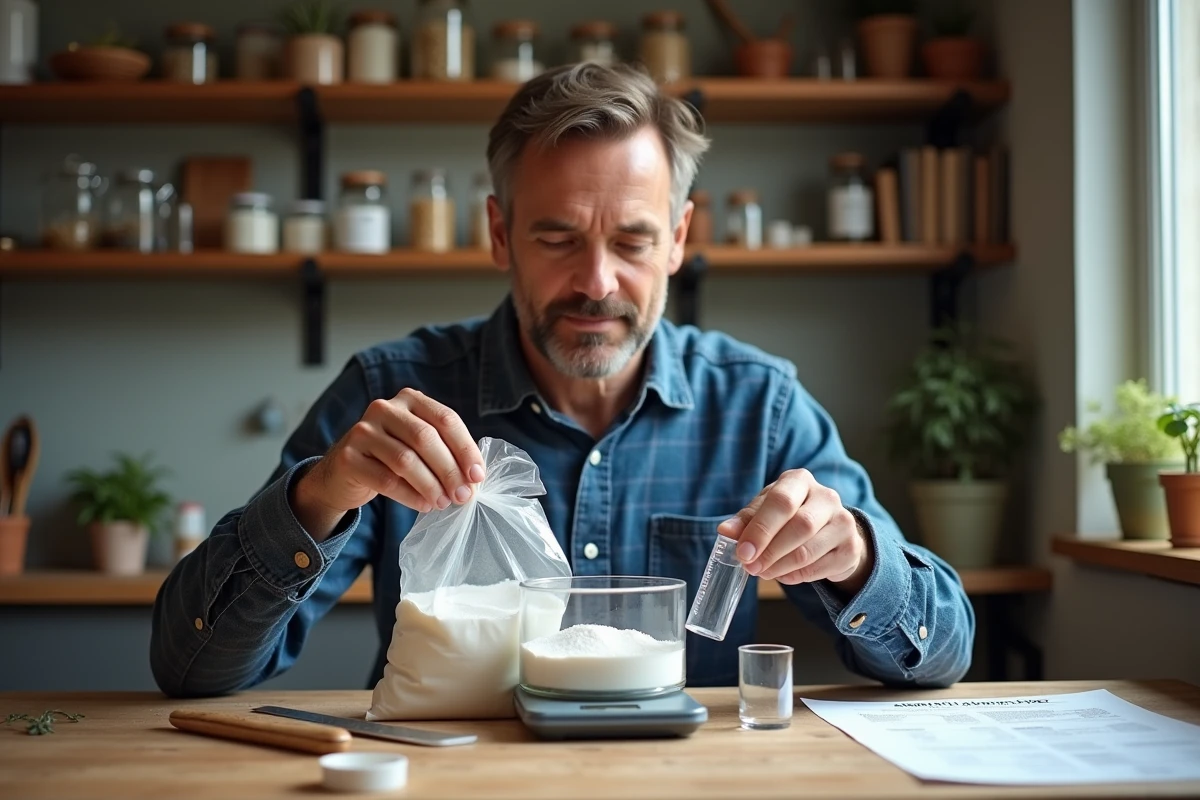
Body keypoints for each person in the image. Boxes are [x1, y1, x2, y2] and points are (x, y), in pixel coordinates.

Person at [150, 63, 974, 698]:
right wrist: (318, 495)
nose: (599, 282)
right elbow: (192, 672)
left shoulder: (759, 406)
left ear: (680, 238)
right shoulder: (393, 391)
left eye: (634, 240)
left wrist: (859, 557)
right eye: (557, 238)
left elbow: (945, 653)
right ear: (500, 233)